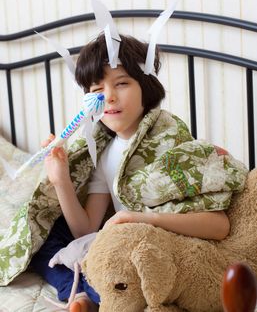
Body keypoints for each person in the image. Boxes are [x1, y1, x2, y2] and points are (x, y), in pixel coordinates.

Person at [30, 33, 248, 312]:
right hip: (118, 242)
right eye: (97, 90)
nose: (108, 96)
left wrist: (143, 218)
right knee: (46, 237)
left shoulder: (171, 143)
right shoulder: (104, 150)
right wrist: (61, 179)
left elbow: (219, 226)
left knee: (130, 264)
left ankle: (95, 293)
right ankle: (82, 293)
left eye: (121, 83)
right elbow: (85, 230)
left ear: (145, 87)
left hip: (159, 244)